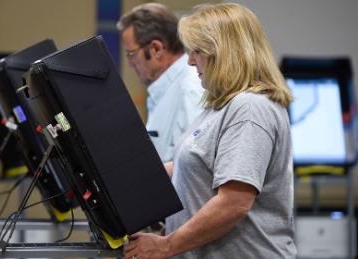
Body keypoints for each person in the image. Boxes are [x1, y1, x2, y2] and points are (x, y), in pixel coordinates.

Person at [123, 3, 297, 259]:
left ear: (223, 53)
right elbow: (201, 164)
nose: (190, 61)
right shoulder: (219, 105)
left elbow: (233, 203)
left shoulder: (250, 108)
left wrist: (167, 245)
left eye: (196, 51)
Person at [117, 3, 204, 162]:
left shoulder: (191, 89)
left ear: (156, 49)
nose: (130, 63)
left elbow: (199, 162)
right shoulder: (165, 90)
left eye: (131, 54)